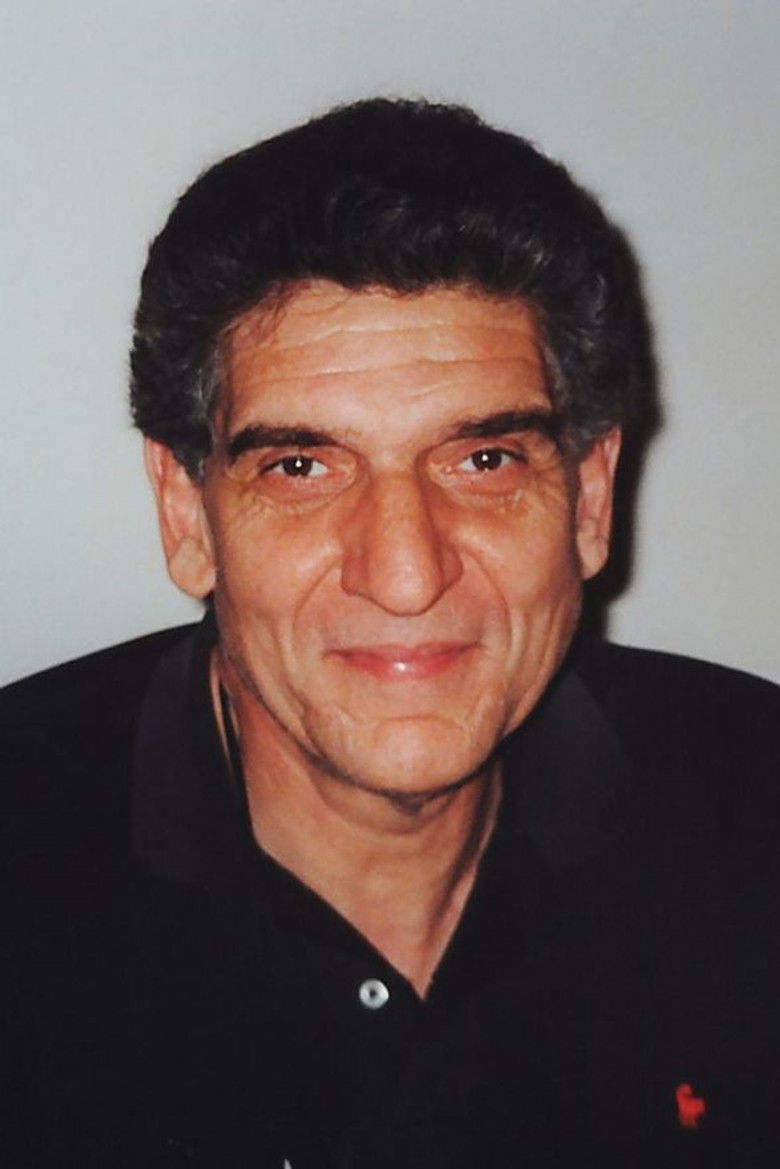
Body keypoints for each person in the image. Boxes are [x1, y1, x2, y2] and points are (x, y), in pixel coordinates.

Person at [2, 98, 778, 1168]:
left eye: (485, 460)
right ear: (188, 517)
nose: (408, 575)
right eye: (301, 467)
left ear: (591, 499)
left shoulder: (756, 807)